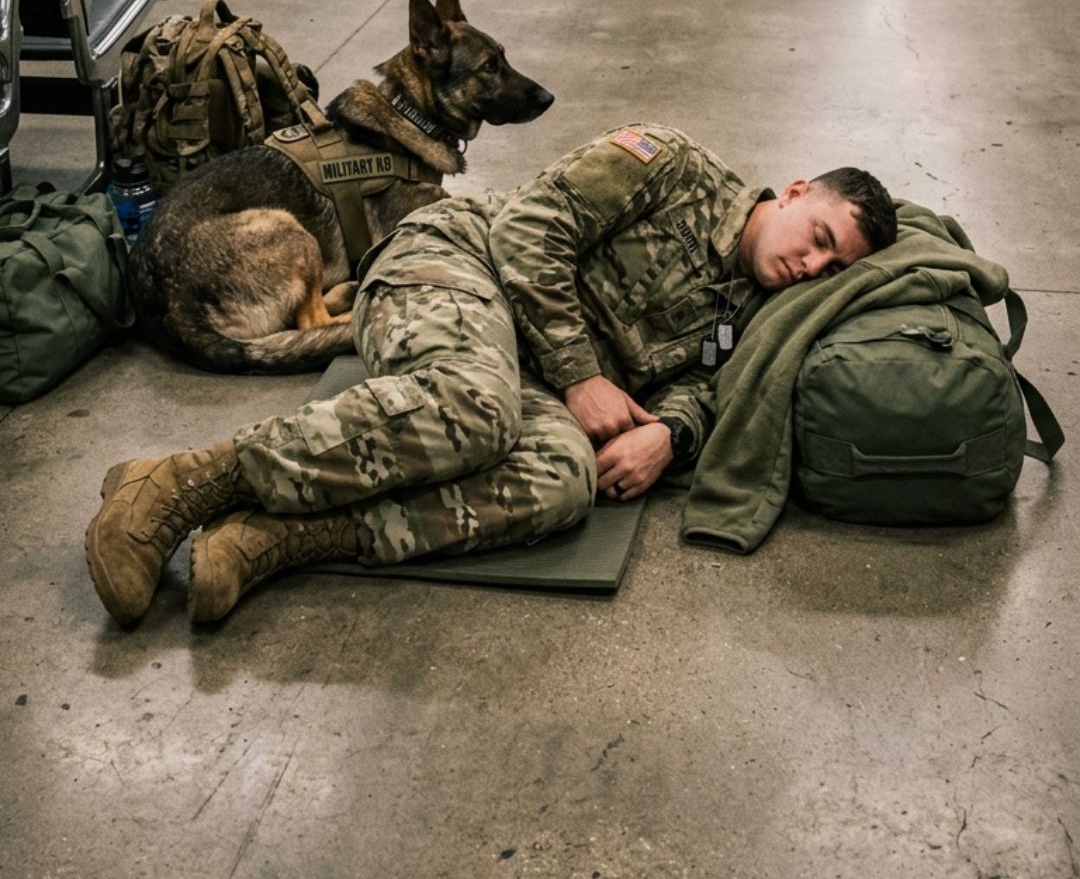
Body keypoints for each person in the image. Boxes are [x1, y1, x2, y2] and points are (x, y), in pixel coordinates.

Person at [85, 127, 897, 627]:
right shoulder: (671, 164)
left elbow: (702, 385)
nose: (810, 263)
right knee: (477, 407)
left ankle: (270, 541)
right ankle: (179, 489)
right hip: (456, 264)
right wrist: (582, 375)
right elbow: (527, 230)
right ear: (795, 192)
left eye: (831, 266)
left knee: (562, 482)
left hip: (525, 369)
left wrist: (666, 433)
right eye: (819, 233)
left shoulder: (751, 306)